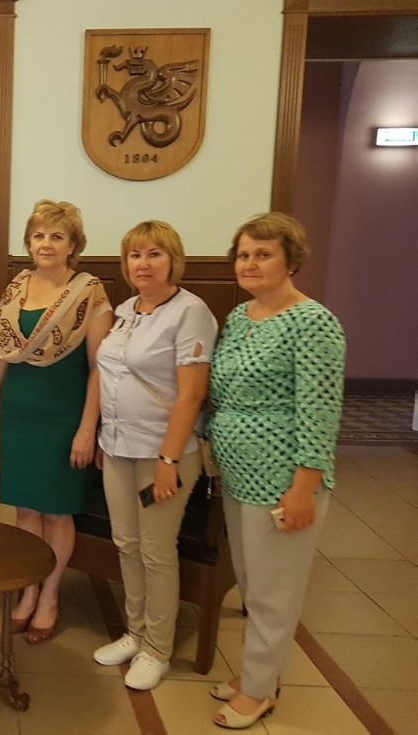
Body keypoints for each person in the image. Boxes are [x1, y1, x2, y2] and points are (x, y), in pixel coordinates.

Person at [207, 212, 345, 729]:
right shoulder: (241, 317)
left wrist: (304, 488)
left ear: (291, 260)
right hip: (238, 475)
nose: (250, 263)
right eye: (244, 255)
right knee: (251, 581)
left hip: (283, 479)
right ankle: (258, 672)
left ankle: (260, 689)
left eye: (263, 254)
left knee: (274, 590)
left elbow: (320, 412)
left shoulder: (314, 322)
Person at [91, 221, 218, 690]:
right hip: (118, 446)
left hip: (163, 454)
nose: (142, 264)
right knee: (126, 543)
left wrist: (168, 461)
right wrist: (104, 436)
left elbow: (192, 395)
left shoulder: (191, 313)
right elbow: (110, 375)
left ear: (173, 260)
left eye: (153, 254)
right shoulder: (127, 310)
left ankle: (157, 649)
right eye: (135, 255)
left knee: (156, 551)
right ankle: (135, 632)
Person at [0, 199, 112, 644]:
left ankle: (51, 595)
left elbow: (99, 369)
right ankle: (30, 589)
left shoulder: (89, 293)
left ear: (73, 244)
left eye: (57, 236)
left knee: (57, 512)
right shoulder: (17, 287)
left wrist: (87, 428)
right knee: (25, 509)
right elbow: (2, 355)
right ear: (29, 242)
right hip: (19, 416)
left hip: (64, 419)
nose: (46, 244)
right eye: (38, 235)